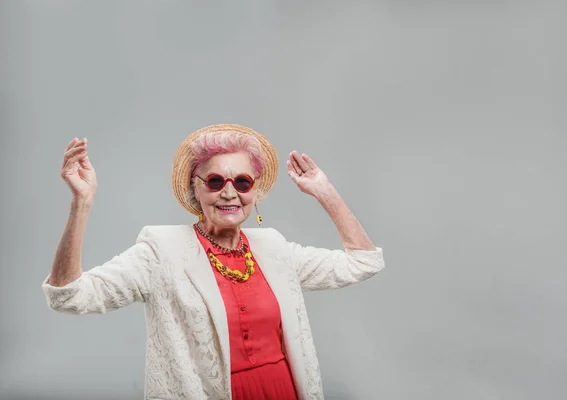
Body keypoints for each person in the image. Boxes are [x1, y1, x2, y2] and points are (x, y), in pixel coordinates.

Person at [42, 124, 385, 400]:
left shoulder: (275, 248)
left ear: (255, 192)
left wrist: (324, 191)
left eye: (243, 181)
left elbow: (364, 262)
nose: (229, 192)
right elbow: (68, 296)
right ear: (196, 189)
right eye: (216, 181)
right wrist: (81, 203)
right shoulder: (161, 251)